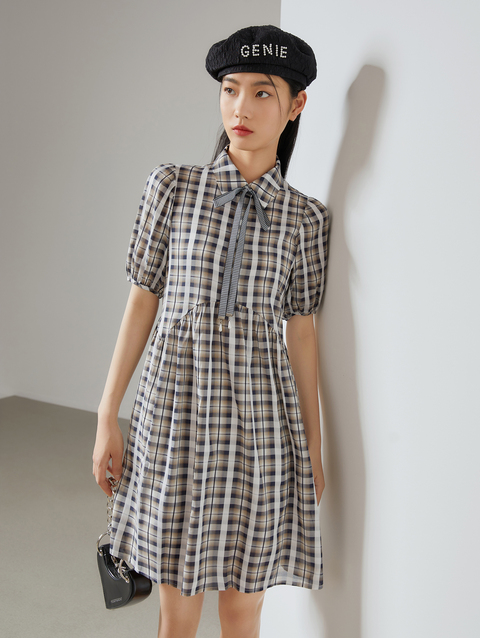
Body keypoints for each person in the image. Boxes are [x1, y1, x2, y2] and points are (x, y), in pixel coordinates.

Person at [92, 24, 329, 638]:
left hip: (261, 424)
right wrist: (107, 413)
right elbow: (142, 301)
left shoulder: (305, 219)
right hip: (174, 415)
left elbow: (302, 334)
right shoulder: (173, 187)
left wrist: (313, 446)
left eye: (262, 92)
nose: (240, 108)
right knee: (177, 612)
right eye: (230, 89)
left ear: (296, 105)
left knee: (243, 610)